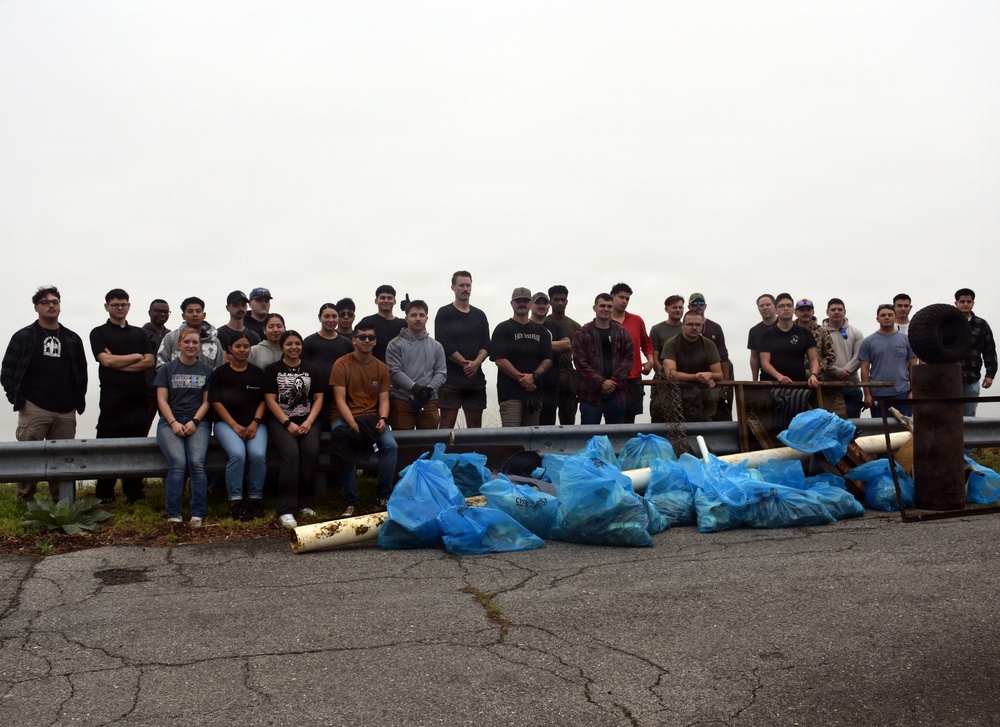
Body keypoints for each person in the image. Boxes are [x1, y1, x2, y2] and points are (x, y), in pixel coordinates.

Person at [1, 286, 88, 503]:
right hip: (34, 407)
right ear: (36, 307)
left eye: (55, 301)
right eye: (46, 302)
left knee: (64, 459)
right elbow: (8, 370)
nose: (51, 305)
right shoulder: (24, 336)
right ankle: (25, 501)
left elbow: (82, 372)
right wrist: (18, 399)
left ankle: (64, 504)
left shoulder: (72, 338)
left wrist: (77, 401)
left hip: (66, 409)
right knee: (29, 456)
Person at [89, 288, 154, 504]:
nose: (120, 308)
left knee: (135, 446)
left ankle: (133, 492)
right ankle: (105, 493)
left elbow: (149, 362)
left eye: (124, 304)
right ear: (107, 306)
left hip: (137, 398)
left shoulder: (139, 333)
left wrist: (119, 362)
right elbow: (105, 362)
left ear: (129, 306)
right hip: (111, 399)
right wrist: (135, 357)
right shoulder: (98, 333)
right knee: (107, 446)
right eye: (115, 304)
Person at [331, 323, 399, 516]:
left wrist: (384, 418)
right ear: (354, 340)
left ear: (375, 341)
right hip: (344, 418)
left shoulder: (381, 367)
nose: (367, 340)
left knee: (390, 446)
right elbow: (339, 400)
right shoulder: (341, 364)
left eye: (371, 337)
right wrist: (353, 425)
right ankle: (351, 501)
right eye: (362, 337)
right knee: (348, 446)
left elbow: (384, 399)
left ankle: (384, 496)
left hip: (372, 418)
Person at [264, 330, 324, 529]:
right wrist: (287, 423)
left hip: (308, 420)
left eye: (297, 343)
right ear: (282, 347)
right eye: (289, 344)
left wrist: (308, 422)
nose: (294, 347)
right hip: (281, 421)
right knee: (291, 454)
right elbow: (270, 400)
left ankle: (305, 502)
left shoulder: (312, 369)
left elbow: (318, 398)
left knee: (310, 452)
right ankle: (286, 509)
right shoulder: (272, 370)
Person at [154, 328, 212, 527]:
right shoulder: (167, 369)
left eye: (195, 342)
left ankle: (197, 514)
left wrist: (195, 422)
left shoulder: (206, 371)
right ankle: (174, 515)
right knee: (178, 463)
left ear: (200, 346)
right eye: (187, 342)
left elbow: (207, 402)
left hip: (198, 422)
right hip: (170, 421)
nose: (191, 346)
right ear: (179, 344)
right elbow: (161, 401)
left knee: (197, 463)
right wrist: (173, 423)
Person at [208, 332, 267, 521]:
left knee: (257, 455)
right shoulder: (220, 373)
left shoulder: (258, 373)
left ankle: (255, 499)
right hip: (226, 424)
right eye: (238, 347)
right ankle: (235, 501)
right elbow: (216, 402)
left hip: (255, 424)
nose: (242, 350)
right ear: (230, 350)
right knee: (238, 454)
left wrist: (254, 423)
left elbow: (264, 401)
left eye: (246, 347)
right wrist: (234, 425)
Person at [434, 271, 491, 429]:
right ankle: (444, 453)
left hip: (476, 380)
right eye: (461, 285)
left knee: (475, 426)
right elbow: (443, 343)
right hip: (451, 379)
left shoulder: (479, 315)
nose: (465, 288)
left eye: (468, 285)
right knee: (447, 423)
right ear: (453, 287)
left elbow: (486, 344)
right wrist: (465, 364)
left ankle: (474, 454)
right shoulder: (444, 313)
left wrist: (476, 363)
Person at [491, 287, 553, 427]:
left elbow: (548, 359)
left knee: (532, 440)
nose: (522, 303)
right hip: (510, 394)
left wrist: (534, 376)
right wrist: (522, 379)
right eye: (518, 300)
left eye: (525, 300)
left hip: (535, 393)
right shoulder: (502, 329)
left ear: (530, 304)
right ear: (512, 303)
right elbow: (499, 359)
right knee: (511, 439)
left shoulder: (541, 331)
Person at [758, 293, 820, 428]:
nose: (785, 308)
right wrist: (779, 376)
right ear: (775, 310)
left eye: (788, 305)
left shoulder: (805, 334)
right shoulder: (766, 335)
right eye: (781, 306)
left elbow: (814, 360)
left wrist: (814, 375)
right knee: (775, 428)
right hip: (772, 387)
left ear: (793, 310)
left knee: (800, 426)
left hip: (799, 388)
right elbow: (764, 363)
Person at [572, 293, 634, 425]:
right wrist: (601, 382)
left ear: (612, 308)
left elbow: (629, 359)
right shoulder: (582, 334)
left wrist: (612, 382)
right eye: (602, 306)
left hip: (617, 394)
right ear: (594, 308)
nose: (606, 309)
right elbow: (580, 362)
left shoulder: (622, 333)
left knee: (617, 438)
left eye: (609, 306)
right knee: (590, 438)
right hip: (590, 396)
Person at [385, 299, 447, 429]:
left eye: (421, 315)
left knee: (428, 443)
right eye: (413, 315)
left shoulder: (436, 346)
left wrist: (428, 390)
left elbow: (441, 372)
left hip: (429, 401)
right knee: (404, 444)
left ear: (427, 318)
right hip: (403, 401)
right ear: (406, 319)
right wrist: (416, 389)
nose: (418, 319)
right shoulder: (395, 344)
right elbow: (395, 372)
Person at [661, 311, 724, 422]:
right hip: (676, 391)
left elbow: (719, 375)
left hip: (702, 392)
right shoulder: (671, 344)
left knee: (712, 397)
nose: (694, 327)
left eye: (698, 325)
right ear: (683, 325)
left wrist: (710, 375)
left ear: (702, 327)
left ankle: (707, 431)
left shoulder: (709, 345)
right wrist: (697, 377)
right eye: (690, 324)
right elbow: (670, 375)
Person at [302, 303, 354, 430]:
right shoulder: (309, 342)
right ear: (319, 318)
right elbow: (303, 369)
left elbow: (352, 368)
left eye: (334, 316)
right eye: (326, 316)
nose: (331, 320)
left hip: (340, 396)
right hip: (315, 396)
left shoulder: (346, 343)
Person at [859, 304, 917, 418]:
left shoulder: (906, 340)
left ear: (895, 318)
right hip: (878, 395)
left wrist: (914, 391)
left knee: (904, 431)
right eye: (883, 315)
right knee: (880, 431)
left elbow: (913, 366)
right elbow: (864, 369)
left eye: (890, 315)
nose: (886, 317)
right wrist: (867, 394)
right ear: (877, 319)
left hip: (902, 393)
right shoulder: (868, 342)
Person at [609, 282, 655, 423]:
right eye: (621, 297)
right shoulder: (604, 320)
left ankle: (629, 445)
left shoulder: (636, 320)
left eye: (627, 298)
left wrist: (650, 361)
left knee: (630, 419)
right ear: (612, 297)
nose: (624, 301)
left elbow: (646, 343)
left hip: (633, 377)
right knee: (613, 419)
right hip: (612, 378)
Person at [687, 293, 732, 420]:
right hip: (692, 377)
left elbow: (723, 354)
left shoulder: (715, 327)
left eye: (701, 303)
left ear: (705, 306)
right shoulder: (685, 326)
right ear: (689, 307)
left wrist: (726, 378)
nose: (698, 306)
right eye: (694, 303)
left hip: (714, 374)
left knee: (718, 407)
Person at [954, 288, 996, 417]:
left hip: (971, 378)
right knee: (950, 414)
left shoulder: (981, 324)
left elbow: (989, 350)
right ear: (956, 303)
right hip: (950, 378)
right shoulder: (947, 323)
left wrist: (990, 374)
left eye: (969, 301)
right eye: (962, 301)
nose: (965, 304)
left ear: (973, 303)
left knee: (969, 416)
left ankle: (968, 438)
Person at [530, 291, 570, 426]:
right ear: (531, 305)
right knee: (529, 427)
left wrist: (538, 343)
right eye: (538, 303)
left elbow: (566, 344)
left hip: (551, 385)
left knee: (548, 424)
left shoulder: (555, 327)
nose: (541, 306)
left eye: (544, 303)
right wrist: (551, 346)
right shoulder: (523, 326)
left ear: (548, 306)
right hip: (529, 385)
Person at [155, 297, 225, 370]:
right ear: (183, 316)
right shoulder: (171, 338)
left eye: (198, 311)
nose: (195, 314)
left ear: (204, 315)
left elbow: (220, 370)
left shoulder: (214, 341)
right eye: (190, 311)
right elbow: (160, 365)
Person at [822, 298, 865, 418]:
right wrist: (837, 372)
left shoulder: (856, 333)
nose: (837, 312)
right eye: (833, 309)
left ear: (844, 312)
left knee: (852, 424)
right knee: (829, 424)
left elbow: (859, 355)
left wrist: (845, 371)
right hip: (828, 385)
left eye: (840, 309)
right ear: (827, 312)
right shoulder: (820, 333)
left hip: (851, 384)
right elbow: (818, 357)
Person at [546, 284, 581, 425]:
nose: (560, 303)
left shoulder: (575, 326)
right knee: (546, 416)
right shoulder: (543, 322)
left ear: (567, 301)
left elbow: (580, 355)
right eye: (556, 300)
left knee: (568, 418)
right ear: (550, 301)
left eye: (563, 300)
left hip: (568, 373)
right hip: (547, 371)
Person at [649, 294, 685, 423]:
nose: (678, 310)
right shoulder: (657, 329)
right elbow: (654, 355)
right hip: (664, 381)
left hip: (685, 381)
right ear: (666, 309)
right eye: (674, 307)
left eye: (680, 307)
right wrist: (662, 376)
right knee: (661, 414)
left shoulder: (688, 328)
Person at [356, 285, 406, 362]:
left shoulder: (403, 324)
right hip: (374, 369)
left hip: (399, 369)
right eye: (382, 298)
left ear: (394, 301)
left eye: (389, 298)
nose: (386, 301)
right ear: (376, 301)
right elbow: (358, 344)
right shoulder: (368, 321)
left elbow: (421, 335)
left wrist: (410, 310)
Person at [142, 298, 171, 431]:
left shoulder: (172, 336)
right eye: (158, 311)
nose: (162, 314)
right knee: (142, 428)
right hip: (146, 391)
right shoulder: (140, 334)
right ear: (149, 312)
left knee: (171, 428)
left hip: (168, 391)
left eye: (166, 312)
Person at [217, 290, 261, 354]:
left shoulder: (254, 336)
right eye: (236, 305)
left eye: (243, 305)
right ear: (228, 308)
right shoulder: (220, 334)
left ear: (246, 307)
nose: (240, 308)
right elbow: (222, 360)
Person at [747, 294, 777, 382]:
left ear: (775, 306)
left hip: (790, 376)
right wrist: (755, 380)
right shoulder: (754, 331)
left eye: (768, 305)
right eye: (762, 306)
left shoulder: (785, 326)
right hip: (765, 377)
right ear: (758, 308)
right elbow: (754, 356)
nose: (765, 308)